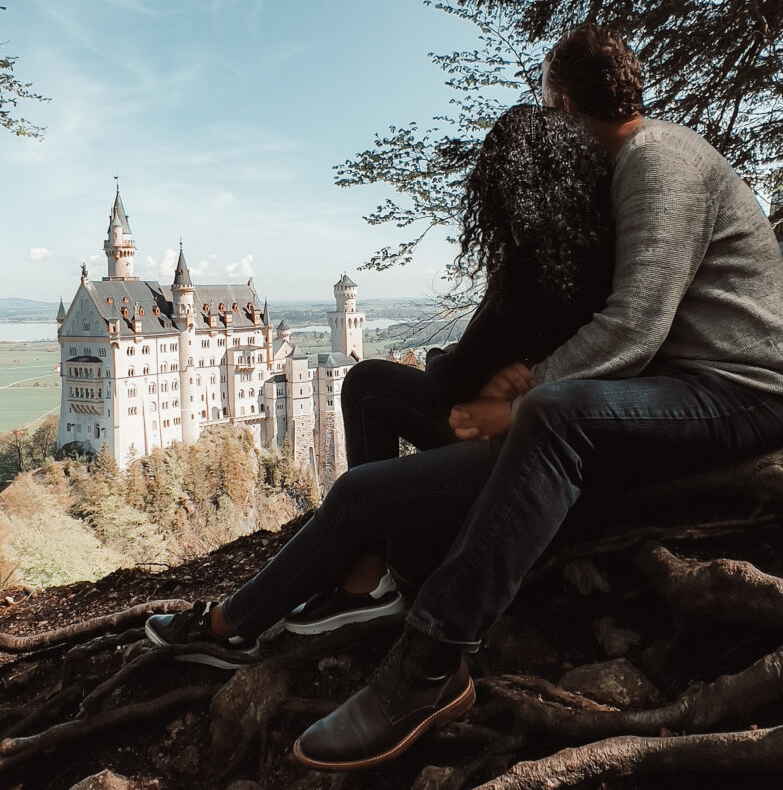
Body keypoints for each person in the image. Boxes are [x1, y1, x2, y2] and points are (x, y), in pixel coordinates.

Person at [143, 104, 614, 664]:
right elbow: (475, 368)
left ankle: (228, 627)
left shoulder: (534, 265)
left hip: (527, 453)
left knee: (355, 493)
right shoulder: (585, 251)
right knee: (364, 381)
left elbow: (457, 372)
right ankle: (366, 583)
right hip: (512, 430)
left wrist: (465, 370)